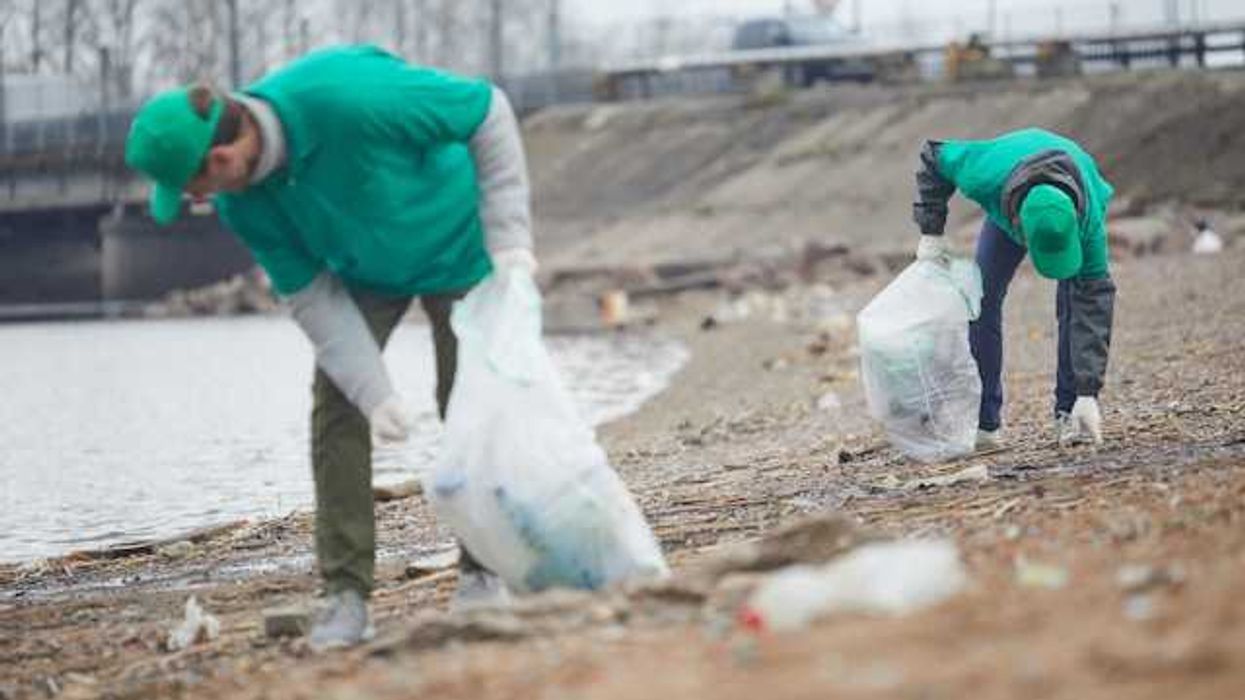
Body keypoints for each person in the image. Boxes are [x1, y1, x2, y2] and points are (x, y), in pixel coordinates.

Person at [124, 45, 535, 650]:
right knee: (339, 401)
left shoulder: (349, 96)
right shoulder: (244, 203)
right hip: (365, 269)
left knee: (470, 400)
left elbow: (488, 112)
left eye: (193, 188)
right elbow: (313, 297)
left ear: (222, 156)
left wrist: (510, 241)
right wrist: (375, 392)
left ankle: (482, 572)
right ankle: (346, 595)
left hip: (459, 245)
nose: (198, 202)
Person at [911, 128, 1117, 449]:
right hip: (1010, 189)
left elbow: (1095, 305)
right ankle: (983, 423)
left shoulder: (1088, 220)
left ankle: (1070, 412)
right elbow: (934, 156)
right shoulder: (983, 173)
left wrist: (1088, 391)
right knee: (979, 298)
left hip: (1068, 192)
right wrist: (931, 231)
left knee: (1077, 300)